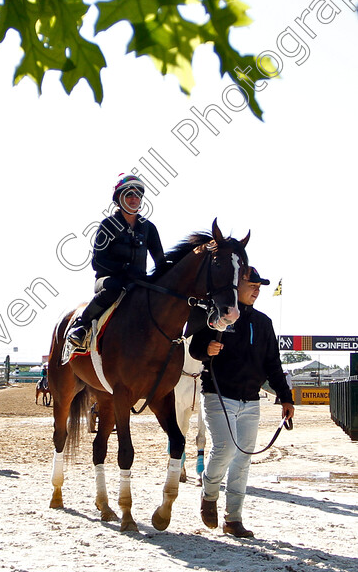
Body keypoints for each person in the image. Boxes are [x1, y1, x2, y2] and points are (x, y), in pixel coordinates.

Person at [190, 266, 295, 539]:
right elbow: (195, 347)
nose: (257, 289)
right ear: (237, 285)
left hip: (251, 401)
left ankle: (233, 519)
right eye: (252, 284)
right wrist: (207, 350)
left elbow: (273, 363)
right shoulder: (216, 315)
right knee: (224, 449)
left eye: (260, 285)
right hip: (217, 394)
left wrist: (286, 397)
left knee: (243, 460)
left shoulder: (264, 323)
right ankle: (209, 494)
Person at [68, 173, 167, 347]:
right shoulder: (107, 225)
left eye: (138, 195)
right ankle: (81, 326)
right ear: (119, 198)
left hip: (137, 282)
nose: (134, 199)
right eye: (129, 194)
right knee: (113, 288)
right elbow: (97, 262)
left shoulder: (149, 228)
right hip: (108, 281)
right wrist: (125, 268)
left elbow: (160, 261)